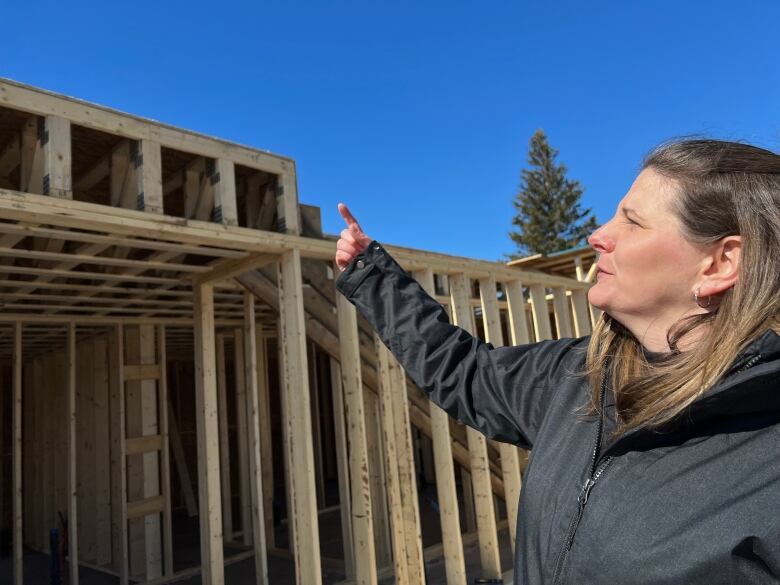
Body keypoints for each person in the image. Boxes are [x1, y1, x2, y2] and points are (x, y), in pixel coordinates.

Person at [334, 138, 780, 584]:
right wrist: (373, 276)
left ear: (720, 263)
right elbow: (463, 371)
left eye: (632, 221)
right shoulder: (577, 376)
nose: (597, 235)